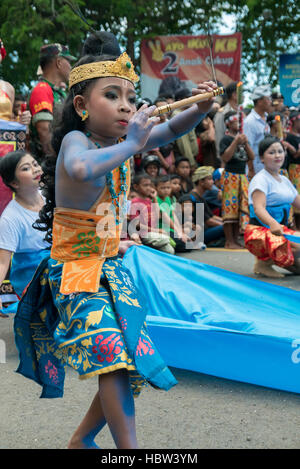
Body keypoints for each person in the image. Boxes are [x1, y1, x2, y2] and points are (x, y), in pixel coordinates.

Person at [14, 43, 217, 449]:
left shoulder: (125, 140)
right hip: (74, 272)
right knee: (114, 355)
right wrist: (132, 145)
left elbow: (174, 128)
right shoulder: (78, 140)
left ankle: (81, 440)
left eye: (130, 97)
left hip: (108, 270)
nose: (126, 107)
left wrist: (201, 108)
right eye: (111, 95)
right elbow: (78, 169)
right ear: (81, 104)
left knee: (128, 362)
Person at [0, 150, 50, 317]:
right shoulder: (10, 218)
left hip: (58, 262)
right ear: (14, 182)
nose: (36, 169)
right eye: (27, 168)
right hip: (32, 274)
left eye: (35, 164)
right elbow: (2, 263)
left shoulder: (52, 197)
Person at [244, 136, 300, 278]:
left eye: (280, 151)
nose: (277, 155)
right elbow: (258, 208)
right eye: (272, 152)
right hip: (260, 231)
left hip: (281, 230)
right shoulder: (260, 180)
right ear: (262, 158)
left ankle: (282, 261)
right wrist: (273, 223)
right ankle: (264, 263)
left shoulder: (284, 180)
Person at [29, 43, 77, 162]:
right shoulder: (42, 89)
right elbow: (44, 131)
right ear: (59, 62)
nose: (71, 67)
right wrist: (54, 164)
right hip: (49, 165)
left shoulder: (59, 93)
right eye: (69, 62)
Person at [220, 110, 255, 248]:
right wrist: (235, 141)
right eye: (235, 121)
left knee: (240, 207)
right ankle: (229, 240)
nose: (238, 124)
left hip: (242, 176)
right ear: (228, 123)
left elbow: (251, 157)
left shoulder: (242, 138)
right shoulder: (226, 139)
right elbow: (225, 157)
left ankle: (235, 239)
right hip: (230, 176)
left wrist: (245, 143)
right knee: (230, 209)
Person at [129, 172, 175, 254]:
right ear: (136, 187)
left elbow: (158, 216)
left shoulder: (149, 200)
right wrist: (155, 230)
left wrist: (155, 198)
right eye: (145, 185)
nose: (148, 188)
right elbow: (136, 224)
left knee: (170, 251)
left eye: (150, 185)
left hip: (153, 233)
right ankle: (145, 246)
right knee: (165, 239)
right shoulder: (135, 202)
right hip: (144, 234)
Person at [185, 166, 225, 246]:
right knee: (225, 228)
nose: (212, 182)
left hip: (205, 229)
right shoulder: (193, 197)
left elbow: (212, 216)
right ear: (201, 182)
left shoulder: (201, 196)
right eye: (209, 179)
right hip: (199, 233)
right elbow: (208, 221)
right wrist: (226, 226)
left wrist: (226, 221)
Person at [155, 175, 191, 252]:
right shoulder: (156, 200)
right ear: (156, 189)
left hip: (171, 229)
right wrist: (178, 233)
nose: (166, 190)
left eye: (168, 188)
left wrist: (181, 232)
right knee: (184, 245)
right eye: (162, 188)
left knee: (188, 243)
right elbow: (166, 219)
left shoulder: (168, 198)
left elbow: (173, 216)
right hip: (164, 230)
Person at [244, 85, 272, 174]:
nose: (270, 102)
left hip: (267, 167)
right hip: (256, 169)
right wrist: (251, 170)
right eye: (267, 99)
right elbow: (247, 147)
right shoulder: (250, 121)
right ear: (259, 101)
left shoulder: (268, 118)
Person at [172, 88, 199, 169]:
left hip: (190, 159)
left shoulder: (185, 113)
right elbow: (183, 143)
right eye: (187, 97)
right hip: (185, 162)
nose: (191, 99)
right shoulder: (178, 116)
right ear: (179, 100)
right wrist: (191, 163)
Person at [214, 81, 238, 159]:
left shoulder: (241, 112)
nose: (244, 96)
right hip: (228, 158)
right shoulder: (222, 113)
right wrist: (221, 158)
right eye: (241, 92)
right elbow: (219, 136)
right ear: (234, 95)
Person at [286, 111, 300, 229]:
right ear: (294, 121)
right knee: (296, 196)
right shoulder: (289, 136)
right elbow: (294, 155)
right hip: (295, 169)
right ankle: (296, 226)